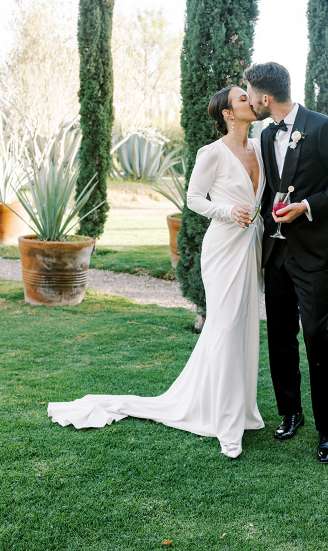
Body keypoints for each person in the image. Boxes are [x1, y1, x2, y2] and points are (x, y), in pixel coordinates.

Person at [48, 86, 265, 459]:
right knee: (226, 326)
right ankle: (226, 426)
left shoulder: (260, 148)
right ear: (228, 114)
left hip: (252, 245)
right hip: (223, 247)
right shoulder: (212, 153)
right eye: (242, 99)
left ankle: (240, 410)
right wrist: (228, 211)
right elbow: (193, 199)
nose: (250, 100)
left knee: (243, 326)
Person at [244, 61, 328, 464]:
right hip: (275, 252)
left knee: (315, 335)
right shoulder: (264, 134)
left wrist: (307, 206)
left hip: (315, 253)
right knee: (280, 335)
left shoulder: (323, 127)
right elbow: (269, 192)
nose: (250, 101)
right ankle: (290, 412)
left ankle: (327, 429)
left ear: (265, 97)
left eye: (250, 94)